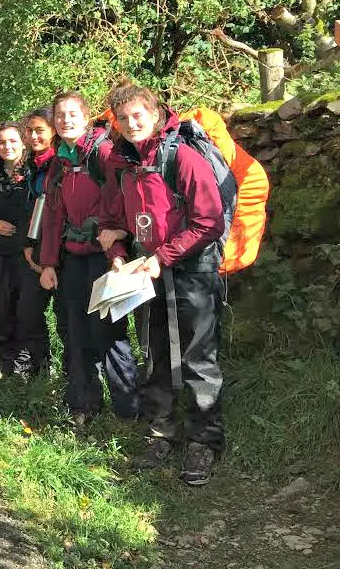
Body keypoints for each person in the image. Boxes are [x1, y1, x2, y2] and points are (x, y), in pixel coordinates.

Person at [98, 81, 226, 485]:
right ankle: (161, 432)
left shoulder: (183, 158)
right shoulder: (123, 166)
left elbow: (210, 221)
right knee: (156, 355)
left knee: (198, 359)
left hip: (193, 271)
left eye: (138, 115)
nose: (132, 123)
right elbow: (113, 223)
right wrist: (118, 258)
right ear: (116, 124)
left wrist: (161, 258)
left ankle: (203, 441)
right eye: (123, 118)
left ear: (155, 115)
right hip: (146, 273)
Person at [37, 91, 138, 427]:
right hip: (72, 259)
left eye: (72, 114)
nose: (65, 120)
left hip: (104, 258)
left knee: (108, 333)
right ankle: (82, 405)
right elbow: (53, 216)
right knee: (75, 333)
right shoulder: (59, 161)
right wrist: (49, 263)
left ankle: (127, 410)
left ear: (86, 115)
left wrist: (119, 250)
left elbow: (128, 199)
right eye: (60, 115)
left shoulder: (104, 152)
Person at [0, 121, 48, 378]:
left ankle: (33, 362)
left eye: (13, 141)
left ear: (23, 143)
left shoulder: (33, 170)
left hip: (26, 252)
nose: (7, 146)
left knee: (27, 308)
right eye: (2, 142)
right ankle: (7, 358)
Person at [21, 107, 61, 376]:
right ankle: (41, 366)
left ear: (53, 132)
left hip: (59, 248)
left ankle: (70, 371)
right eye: (30, 131)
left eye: (40, 131)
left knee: (65, 315)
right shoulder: (28, 165)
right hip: (34, 246)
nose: (34, 136)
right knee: (30, 310)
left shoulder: (60, 164)